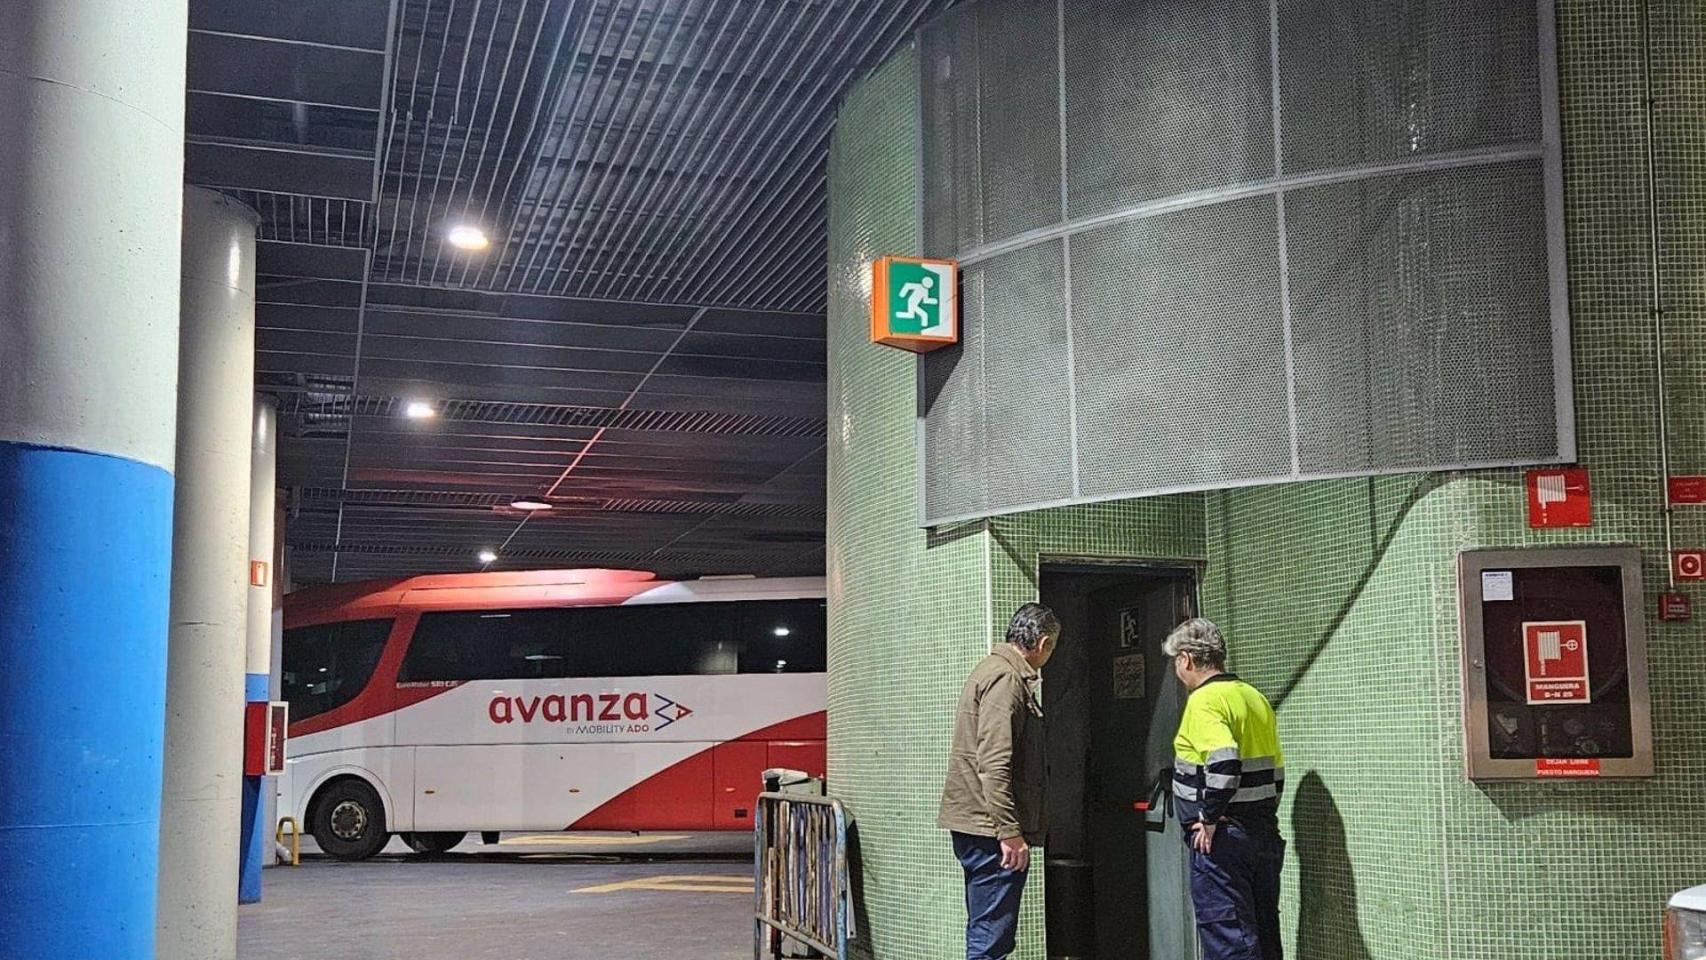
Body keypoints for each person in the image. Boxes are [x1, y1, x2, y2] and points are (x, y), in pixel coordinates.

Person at [938, 602, 1060, 960]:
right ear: (1042, 643)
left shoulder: (995, 671)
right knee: (992, 936)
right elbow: (994, 761)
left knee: (987, 926)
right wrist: (1009, 831)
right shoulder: (1007, 679)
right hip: (990, 830)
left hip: (980, 825)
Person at [1165, 618, 1286, 960]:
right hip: (1262, 831)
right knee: (1263, 934)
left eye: (1176, 661)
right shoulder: (1253, 697)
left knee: (1228, 938)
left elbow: (1224, 761)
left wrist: (1210, 816)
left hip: (1222, 840)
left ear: (1186, 659)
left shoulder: (1205, 701)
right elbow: (1275, 773)